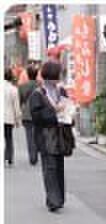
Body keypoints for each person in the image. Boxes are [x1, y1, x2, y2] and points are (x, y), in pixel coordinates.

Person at [29, 61, 73, 212]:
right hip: (45, 135)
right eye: (57, 75)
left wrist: (68, 113)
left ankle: (58, 198)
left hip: (60, 134)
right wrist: (55, 111)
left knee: (58, 166)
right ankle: (54, 201)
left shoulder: (61, 91)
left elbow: (68, 107)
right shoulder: (38, 94)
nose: (58, 78)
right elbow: (36, 117)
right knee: (50, 167)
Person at [18, 64, 40, 165]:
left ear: (27, 75)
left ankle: (32, 156)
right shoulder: (40, 86)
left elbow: (20, 101)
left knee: (29, 136)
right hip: (39, 114)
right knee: (38, 135)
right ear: (36, 75)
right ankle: (36, 153)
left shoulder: (22, 87)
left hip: (27, 114)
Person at [4, 68, 22, 166]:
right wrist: (18, 120)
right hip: (8, 118)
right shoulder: (14, 90)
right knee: (8, 138)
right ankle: (9, 157)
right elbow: (16, 106)